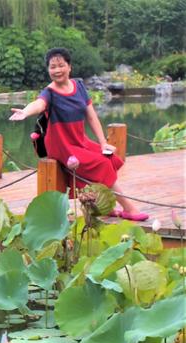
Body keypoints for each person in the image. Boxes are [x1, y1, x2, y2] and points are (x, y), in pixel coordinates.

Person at [9, 47, 148, 221]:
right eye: (52, 67)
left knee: (109, 158)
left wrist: (103, 142)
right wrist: (25, 112)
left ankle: (103, 205)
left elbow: (91, 116)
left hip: (79, 140)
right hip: (62, 145)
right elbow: (39, 104)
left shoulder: (79, 86)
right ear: (48, 70)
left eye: (61, 65)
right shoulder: (49, 92)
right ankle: (129, 208)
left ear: (69, 67)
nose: (57, 70)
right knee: (101, 165)